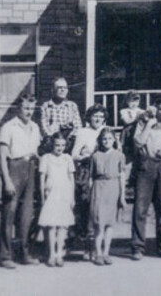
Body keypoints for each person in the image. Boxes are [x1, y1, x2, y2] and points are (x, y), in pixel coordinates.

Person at [131, 94, 161, 260]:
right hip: (146, 166)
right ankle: (137, 248)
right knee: (140, 209)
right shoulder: (145, 122)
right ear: (155, 109)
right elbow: (138, 142)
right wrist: (149, 125)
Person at [0, 94, 42, 269]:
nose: (29, 112)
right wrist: (7, 180)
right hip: (14, 168)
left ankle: (24, 253)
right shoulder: (8, 127)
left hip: (31, 169)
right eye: (26, 108)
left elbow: (36, 151)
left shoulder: (35, 127)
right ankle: (5, 255)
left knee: (26, 214)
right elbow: (2, 156)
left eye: (32, 109)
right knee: (9, 213)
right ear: (18, 108)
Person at [70, 104, 108, 240]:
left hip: (103, 172)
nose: (98, 119)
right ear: (89, 118)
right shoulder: (83, 132)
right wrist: (87, 157)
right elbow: (74, 155)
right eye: (95, 116)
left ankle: (99, 240)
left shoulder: (106, 130)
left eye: (101, 117)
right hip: (87, 170)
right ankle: (85, 237)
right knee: (86, 203)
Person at [89, 128, 126, 266]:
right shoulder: (95, 156)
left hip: (113, 188)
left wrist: (122, 195)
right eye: (104, 139)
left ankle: (106, 253)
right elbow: (91, 177)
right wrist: (90, 192)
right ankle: (98, 253)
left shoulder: (119, 155)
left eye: (110, 139)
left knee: (109, 223)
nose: (107, 141)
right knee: (99, 222)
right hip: (99, 188)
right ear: (100, 140)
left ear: (114, 140)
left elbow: (122, 176)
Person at [38, 133, 76, 267]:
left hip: (64, 194)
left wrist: (72, 197)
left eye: (63, 145)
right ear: (52, 145)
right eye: (57, 145)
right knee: (51, 225)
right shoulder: (46, 158)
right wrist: (42, 197)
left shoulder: (67, 158)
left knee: (63, 225)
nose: (60, 148)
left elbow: (71, 179)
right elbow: (42, 180)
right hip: (51, 194)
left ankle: (60, 254)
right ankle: (51, 254)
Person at [40, 77, 83, 142]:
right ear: (52, 90)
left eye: (65, 88)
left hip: (70, 142)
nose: (63, 90)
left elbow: (78, 127)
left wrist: (70, 138)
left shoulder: (72, 106)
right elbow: (45, 129)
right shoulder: (45, 106)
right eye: (59, 87)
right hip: (52, 143)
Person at [120, 90, 145, 161]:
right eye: (131, 101)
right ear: (127, 102)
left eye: (136, 101)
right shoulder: (124, 111)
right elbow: (127, 121)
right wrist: (137, 117)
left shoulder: (141, 111)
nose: (134, 104)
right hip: (129, 132)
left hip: (139, 131)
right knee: (128, 149)